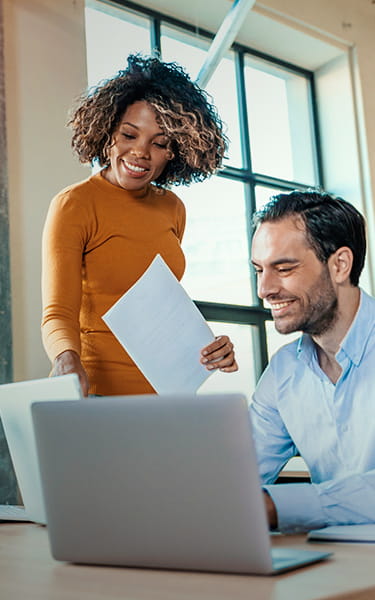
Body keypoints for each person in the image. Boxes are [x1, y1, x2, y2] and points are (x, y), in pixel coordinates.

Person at [41, 54, 237, 397]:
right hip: (97, 392)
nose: (140, 152)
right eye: (129, 135)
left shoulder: (172, 208)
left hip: (168, 395)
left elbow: (161, 308)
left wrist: (211, 347)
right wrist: (66, 360)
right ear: (107, 133)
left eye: (159, 143)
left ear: (174, 151)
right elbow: (58, 312)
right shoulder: (75, 204)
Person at [250, 189, 375, 533]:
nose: (265, 289)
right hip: (337, 563)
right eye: (259, 270)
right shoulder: (284, 370)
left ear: (339, 265)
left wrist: (275, 506)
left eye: (284, 268)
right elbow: (238, 474)